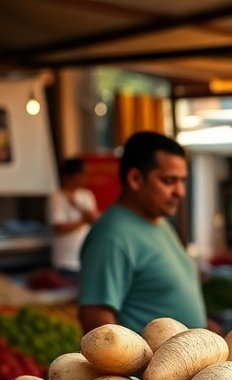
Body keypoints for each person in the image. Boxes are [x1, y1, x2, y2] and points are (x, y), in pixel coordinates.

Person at [79, 132, 206, 333]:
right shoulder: (111, 236)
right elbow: (96, 318)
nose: (180, 192)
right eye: (169, 181)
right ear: (135, 178)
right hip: (153, 364)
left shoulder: (160, 222)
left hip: (193, 359)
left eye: (183, 181)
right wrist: (135, 364)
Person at [48, 157, 97, 275]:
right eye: (82, 174)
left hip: (86, 259)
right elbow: (59, 228)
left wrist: (79, 209)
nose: (85, 178)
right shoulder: (57, 197)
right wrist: (84, 219)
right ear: (71, 175)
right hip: (66, 260)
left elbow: (94, 219)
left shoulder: (87, 195)